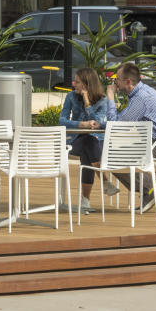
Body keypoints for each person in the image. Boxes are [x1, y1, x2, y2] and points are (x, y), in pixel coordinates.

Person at [105, 61, 156, 213]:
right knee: (115, 154)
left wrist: (110, 97)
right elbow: (122, 121)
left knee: (111, 157)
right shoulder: (142, 93)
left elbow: (116, 125)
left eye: (117, 79)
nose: (115, 82)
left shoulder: (141, 98)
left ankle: (152, 189)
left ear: (128, 82)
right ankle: (155, 188)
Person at [59, 67, 111, 214]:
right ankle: (105, 181)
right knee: (89, 143)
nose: (74, 84)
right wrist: (80, 124)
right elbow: (61, 121)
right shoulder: (70, 97)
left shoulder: (102, 101)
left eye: (77, 82)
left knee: (88, 146)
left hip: (94, 142)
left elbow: (98, 122)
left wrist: (87, 101)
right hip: (73, 142)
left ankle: (85, 201)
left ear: (86, 85)